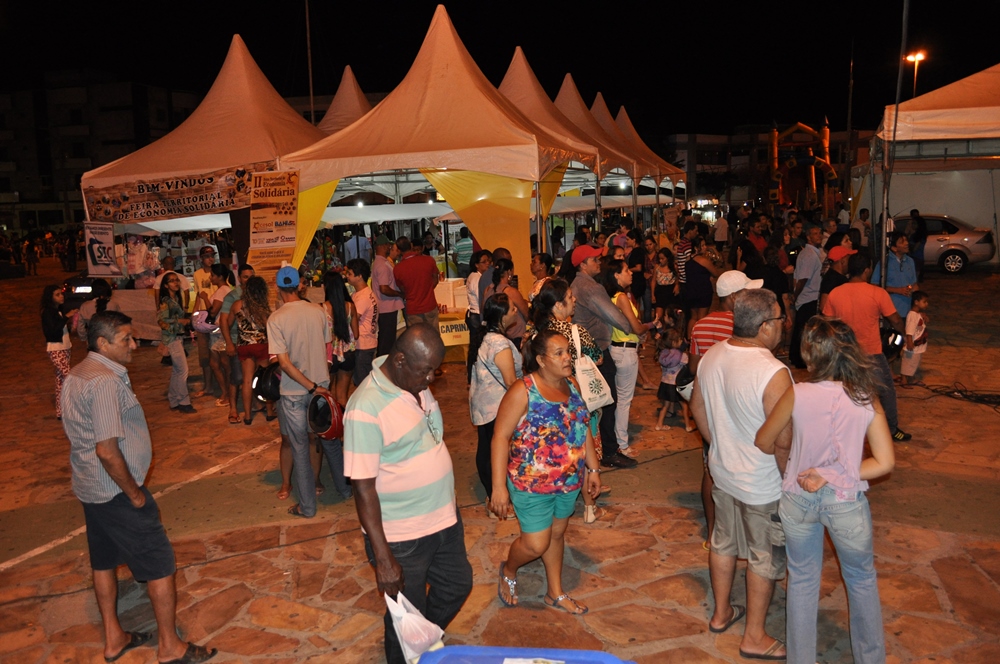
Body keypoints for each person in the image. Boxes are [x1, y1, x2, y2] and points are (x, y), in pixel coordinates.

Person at [61, 311, 217, 664]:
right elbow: (106, 449)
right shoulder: (104, 381)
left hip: (90, 488)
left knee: (103, 561)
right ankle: (170, 647)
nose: (134, 345)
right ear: (103, 343)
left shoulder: (78, 373)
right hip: (116, 492)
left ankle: (114, 638)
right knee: (160, 564)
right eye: (126, 339)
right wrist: (134, 493)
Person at [755, 317, 895, 664]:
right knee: (861, 580)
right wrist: (833, 473)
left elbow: (764, 440)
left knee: (802, 580)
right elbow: (884, 462)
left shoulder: (797, 393)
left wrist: (801, 456)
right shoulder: (865, 398)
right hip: (845, 503)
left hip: (798, 498)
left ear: (810, 354)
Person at [343, 324, 472, 664]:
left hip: (444, 519)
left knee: (457, 585)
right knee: (404, 618)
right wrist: (384, 559)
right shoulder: (364, 408)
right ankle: (408, 648)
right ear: (400, 360)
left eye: (434, 371)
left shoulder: (412, 383)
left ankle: (422, 637)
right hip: (403, 537)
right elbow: (362, 488)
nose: (431, 379)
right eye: (425, 371)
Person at [689, 288, 792, 661]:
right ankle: (754, 636)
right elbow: (783, 440)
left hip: (724, 472)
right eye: (779, 318)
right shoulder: (773, 372)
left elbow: (697, 406)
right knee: (764, 556)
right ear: (764, 326)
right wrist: (789, 481)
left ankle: (721, 613)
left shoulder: (713, 355)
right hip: (762, 483)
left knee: (723, 543)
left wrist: (720, 444)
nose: (783, 325)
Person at [490, 329, 601, 614]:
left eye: (568, 352)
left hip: (569, 482)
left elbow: (582, 427)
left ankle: (555, 592)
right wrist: (498, 487)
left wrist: (593, 468)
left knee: (556, 534)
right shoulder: (523, 390)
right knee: (535, 544)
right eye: (559, 353)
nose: (567, 358)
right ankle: (509, 569)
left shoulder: (572, 385)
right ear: (541, 360)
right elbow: (500, 437)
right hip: (531, 484)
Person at [823, 253, 911, 442]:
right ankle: (891, 429)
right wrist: (903, 334)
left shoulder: (835, 293)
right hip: (871, 352)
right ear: (866, 271)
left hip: (845, 353)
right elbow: (895, 319)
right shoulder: (877, 293)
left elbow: (827, 322)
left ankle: (839, 428)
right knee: (885, 391)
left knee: (844, 392)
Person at [267, 266, 332, 518]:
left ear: (277, 288)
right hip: (320, 387)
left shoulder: (276, 319)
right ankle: (318, 484)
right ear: (300, 285)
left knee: (299, 448)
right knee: (316, 439)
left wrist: (308, 385)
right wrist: (317, 384)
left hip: (294, 391)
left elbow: (283, 363)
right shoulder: (318, 311)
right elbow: (326, 348)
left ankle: (306, 506)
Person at [569, 244, 637, 470]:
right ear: (583, 264)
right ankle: (609, 451)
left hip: (586, 351)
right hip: (596, 352)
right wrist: (632, 327)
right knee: (607, 400)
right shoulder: (589, 287)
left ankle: (598, 450)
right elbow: (615, 316)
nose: (599, 262)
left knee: (595, 402)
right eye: (594, 259)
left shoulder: (579, 284)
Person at [599, 259, 661, 458]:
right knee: (624, 400)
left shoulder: (610, 297)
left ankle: (615, 440)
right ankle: (622, 443)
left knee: (617, 399)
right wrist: (650, 326)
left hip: (616, 348)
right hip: (625, 351)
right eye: (626, 270)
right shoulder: (621, 298)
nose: (631, 272)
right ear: (616, 275)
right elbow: (636, 327)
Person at [469, 294, 523, 500]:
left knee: (485, 446)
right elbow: (510, 382)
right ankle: (496, 496)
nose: (516, 311)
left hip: (484, 403)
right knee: (495, 451)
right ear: (502, 316)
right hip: (497, 405)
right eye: (512, 309)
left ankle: (491, 494)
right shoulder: (499, 344)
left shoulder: (488, 337)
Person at [229, 276, 276, 425]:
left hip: (244, 346)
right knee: (264, 378)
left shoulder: (237, 305)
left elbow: (228, 323)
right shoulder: (263, 307)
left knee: (247, 380)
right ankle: (269, 412)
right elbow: (269, 327)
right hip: (262, 346)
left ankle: (248, 416)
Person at [157, 273, 195, 414]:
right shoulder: (166, 301)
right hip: (172, 338)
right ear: (166, 285)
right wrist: (180, 321)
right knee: (183, 370)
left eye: (176, 280)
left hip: (177, 337)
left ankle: (173, 399)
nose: (176, 283)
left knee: (177, 370)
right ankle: (183, 401)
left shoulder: (176, 299)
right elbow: (161, 321)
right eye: (172, 281)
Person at [321, 270, 359, 408]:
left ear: (326, 287)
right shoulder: (350, 306)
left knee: (327, 395)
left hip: (330, 355)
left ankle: (331, 420)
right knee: (343, 397)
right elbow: (356, 334)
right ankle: (344, 420)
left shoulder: (322, 308)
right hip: (348, 353)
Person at [790, 225, 824, 368]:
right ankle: (800, 359)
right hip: (808, 296)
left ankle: (796, 357)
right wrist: (795, 295)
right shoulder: (809, 254)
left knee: (801, 328)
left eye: (820, 233)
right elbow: (803, 279)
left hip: (807, 296)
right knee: (804, 330)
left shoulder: (810, 253)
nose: (819, 236)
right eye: (815, 234)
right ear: (808, 237)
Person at [42, 284, 76, 419]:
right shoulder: (47, 312)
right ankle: (76, 408)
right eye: (57, 295)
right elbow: (53, 329)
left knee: (60, 381)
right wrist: (66, 317)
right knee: (68, 377)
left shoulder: (58, 311)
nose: (61, 296)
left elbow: (61, 328)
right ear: (50, 297)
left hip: (65, 347)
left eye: (61, 294)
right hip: (55, 349)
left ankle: (61, 411)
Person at [393, 236, 441, 330]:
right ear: (411, 246)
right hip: (430, 305)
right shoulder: (429, 260)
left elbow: (403, 289)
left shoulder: (398, 269)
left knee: (416, 337)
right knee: (433, 336)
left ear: (399, 250)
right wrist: (427, 290)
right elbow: (435, 279)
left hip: (413, 309)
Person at [345, 258, 379, 386]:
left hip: (363, 345)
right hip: (366, 342)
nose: (347, 276)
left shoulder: (363, 297)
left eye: (349, 274)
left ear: (359, 276)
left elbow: (352, 319)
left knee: (363, 384)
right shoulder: (362, 293)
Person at [191, 246, 219, 398]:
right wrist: (194, 314)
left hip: (217, 314)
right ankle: (208, 386)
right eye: (207, 256)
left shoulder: (218, 272)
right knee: (204, 354)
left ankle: (221, 385)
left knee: (218, 353)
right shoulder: (197, 274)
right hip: (203, 317)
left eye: (212, 256)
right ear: (201, 258)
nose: (210, 259)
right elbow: (198, 295)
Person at [873, 232, 919, 319]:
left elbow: (914, 284)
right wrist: (897, 290)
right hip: (890, 311)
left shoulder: (910, 261)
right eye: (902, 242)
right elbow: (874, 286)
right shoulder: (884, 263)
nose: (906, 243)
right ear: (894, 248)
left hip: (907, 310)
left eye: (906, 240)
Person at [654, 327, 692, 432]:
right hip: (676, 384)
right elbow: (688, 365)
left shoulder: (663, 353)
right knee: (684, 405)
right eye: (679, 340)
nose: (681, 341)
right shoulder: (682, 355)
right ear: (674, 342)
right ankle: (688, 426)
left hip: (665, 383)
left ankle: (659, 424)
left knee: (665, 406)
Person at [685, 236, 726, 332]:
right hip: (703, 291)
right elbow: (715, 273)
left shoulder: (688, 259)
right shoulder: (703, 261)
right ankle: (700, 336)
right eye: (702, 245)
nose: (705, 247)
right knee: (702, 317)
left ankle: (689, 337)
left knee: (693, 317)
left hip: (691, 290)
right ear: (696, 248)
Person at [371, 235, 403, 358]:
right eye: (388, 245)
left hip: (386, 306)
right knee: (387, 340)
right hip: (387, 307)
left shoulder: (381, 262)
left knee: (386, 338)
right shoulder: (382, 265)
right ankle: (383, 363)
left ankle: (382, 361)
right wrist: (399, 294)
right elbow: (384, 288)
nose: (389, 248)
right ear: (382, 246)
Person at [484, 258, 529, 343]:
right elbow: (526, 313)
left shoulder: (488, 290)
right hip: (515, 335)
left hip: (495, 334)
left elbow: (483, 311)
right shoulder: (511, 291)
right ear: (509, 272)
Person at [901, 291, 930, 387]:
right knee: (908, 362)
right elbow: (909, 330)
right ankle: (904, 381)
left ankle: (911, 379)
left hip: (917, 345)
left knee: (914, 363)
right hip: (912, 345)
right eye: (924, 302)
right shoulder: (912, 315)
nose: (926, 304)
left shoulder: (917, 314)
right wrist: (909, 342)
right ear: (916, 302)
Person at [465, 250, 492, 331]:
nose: (487, 263)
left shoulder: (477, 276)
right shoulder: (476, 278)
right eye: (484, 262)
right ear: (476, 265)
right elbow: (480, 297)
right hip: (476, 315)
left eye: (488, 261)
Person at [652, 247, 680, 324]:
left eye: (662, 258)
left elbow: (678, 277)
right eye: (659, 259)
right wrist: (652, 294)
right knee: (658, 316)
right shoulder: (657, 267)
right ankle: (659, 329)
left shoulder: (674, 267)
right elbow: (653, 281)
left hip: (670, 291)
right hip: (660, 291)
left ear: (667, 258)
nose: (661, 260)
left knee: (670, 315)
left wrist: (677, 285)